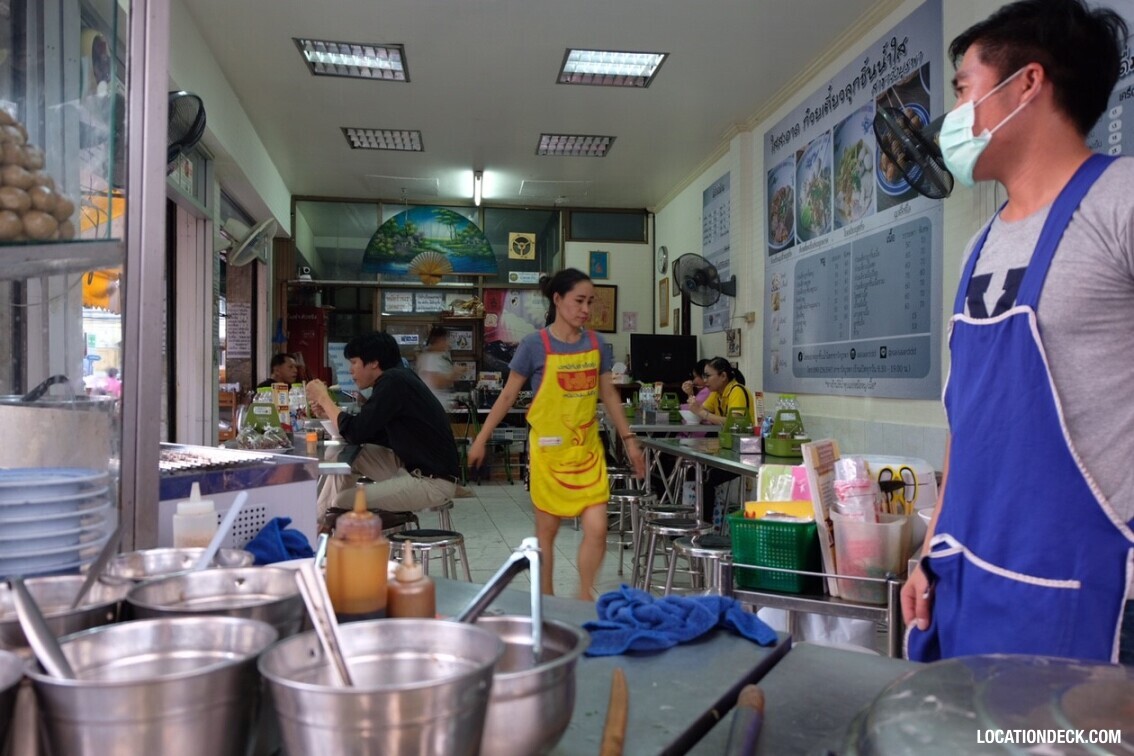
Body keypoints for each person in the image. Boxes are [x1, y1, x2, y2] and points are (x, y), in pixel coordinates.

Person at [901, 0, 1134, 664]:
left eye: (965, 89)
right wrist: (928, 552)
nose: (954, 118)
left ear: (1027, 83)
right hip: (969, 583)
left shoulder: (1119, 201)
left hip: (1087, 599)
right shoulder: (979, 246)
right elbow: (966, 423)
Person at [468, 269, 646, 600]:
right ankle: (547, 602)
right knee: (546, 533)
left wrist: (629, 442)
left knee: (597, 529)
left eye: (590, 302)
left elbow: (609, 396)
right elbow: (507, 396)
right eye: (579, 300)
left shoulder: (597, 345)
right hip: (549, 456)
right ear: (558, 299)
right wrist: (480, 439)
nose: (585, 309)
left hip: (587, 452)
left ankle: (582, 596)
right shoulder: (534, 345)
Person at [305, 332, 460, 523]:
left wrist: (324, 398)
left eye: (354, 362)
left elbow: (356, 431)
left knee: (342, 500)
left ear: (373, 363)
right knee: (353, 456)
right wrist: (328, 413)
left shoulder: (393, 381)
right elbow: (362, 435)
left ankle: (321, 531)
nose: (350, 370)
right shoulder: (398, 378)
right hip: (412, 468)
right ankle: (315, 525)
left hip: (431, 482)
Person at [686, 358, 753, 525]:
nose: (705, 380)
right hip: (726, 449)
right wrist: (691, 398)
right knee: (695, 471)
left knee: (707, 477)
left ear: (723, 376)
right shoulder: (716, 393)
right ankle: (694, 522)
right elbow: (700, 411)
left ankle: (706, 527)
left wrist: (703, 414)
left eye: (708, 376)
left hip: (743, 453)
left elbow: (733, 423)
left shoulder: (737, 391)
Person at [417, 325, 454, 406]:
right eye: (445, 339)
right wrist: (455, 373)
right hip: (432, 407)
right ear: (438, 340)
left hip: (440, 406)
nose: (447, 343)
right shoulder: (429, 358)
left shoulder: (441, 356)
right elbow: (438, 382)